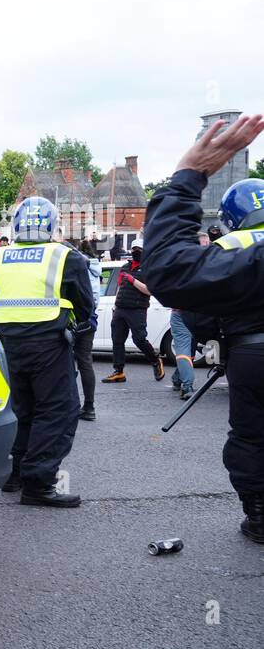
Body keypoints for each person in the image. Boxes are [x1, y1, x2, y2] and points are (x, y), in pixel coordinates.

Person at [142, 112, 264, 544]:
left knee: (251, 436)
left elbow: (174, 277)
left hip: (251, 352)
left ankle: (260, 515)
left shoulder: (228, 245)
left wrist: (188, 177)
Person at [0, 196, 95, 507]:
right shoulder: (65, 257)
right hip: (49, 345)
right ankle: (38, 483)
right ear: (51, 225)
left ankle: (13, 474)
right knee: (57, 412)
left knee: (19, 410)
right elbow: (85, 306)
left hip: (5, 347)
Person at [100, 244, 165, 383]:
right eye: (134, 249)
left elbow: (149, 290)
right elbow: (120, 286)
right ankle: (119, 372)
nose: (136, 252)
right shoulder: (125, 267)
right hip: (120, 309)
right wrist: (115, 306)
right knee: (117, 341)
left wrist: (132, 280)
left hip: (137, 309)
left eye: (139, 250)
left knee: (139, 339)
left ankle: (155, 360)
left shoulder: (149, 269)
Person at [167, 231, 213, 400]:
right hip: (182, 313)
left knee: (189, 351)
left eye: (208, 244)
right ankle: (187, 387)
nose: (206, 247)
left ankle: (178, 378)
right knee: (185, 350)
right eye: (203, 244)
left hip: (199, 313)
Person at [73, 239, 103, 421]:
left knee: (67, 362)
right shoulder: (96, 266)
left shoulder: (78, 264)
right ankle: (89, 406)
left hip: (75, 316)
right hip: (90, 318)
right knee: (85, 362)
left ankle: (72, 404)